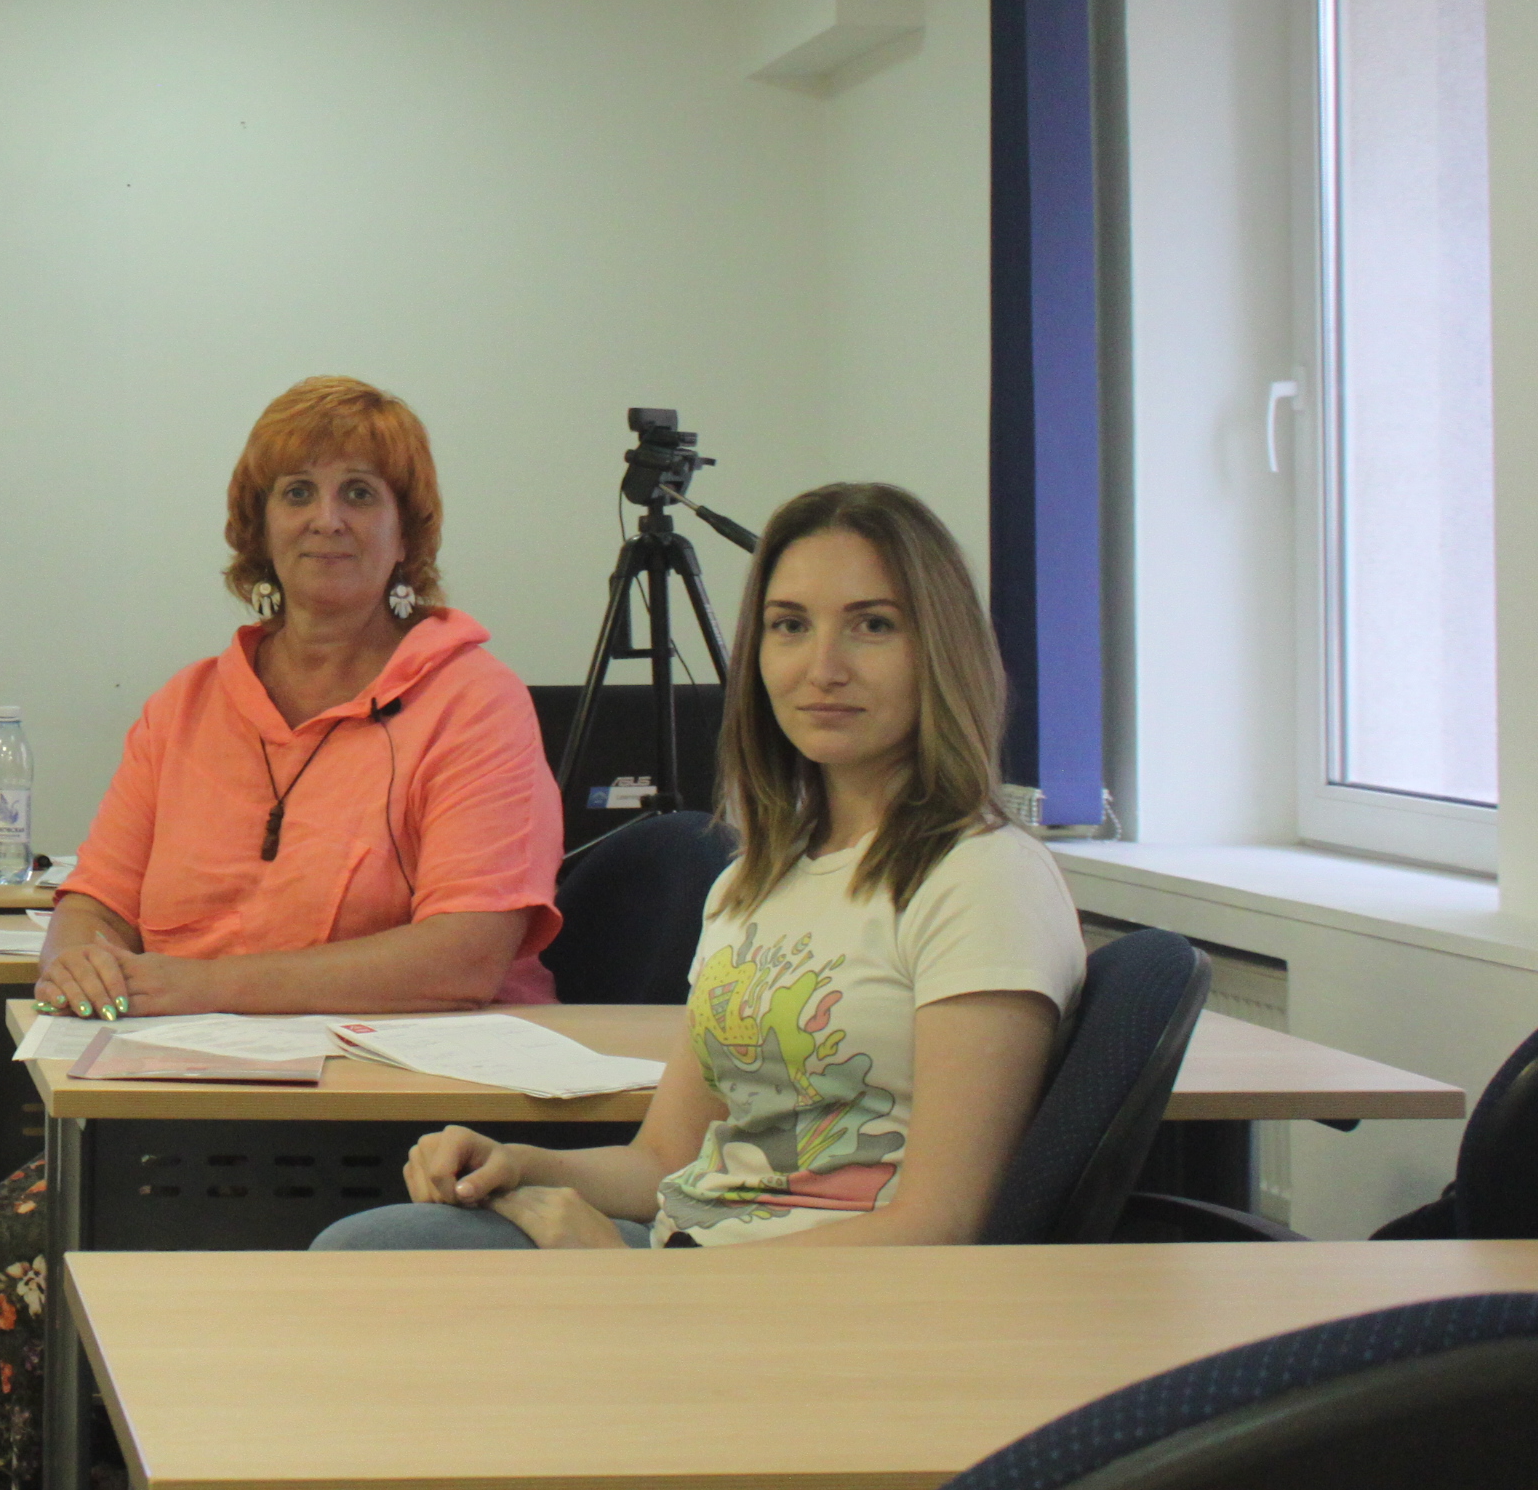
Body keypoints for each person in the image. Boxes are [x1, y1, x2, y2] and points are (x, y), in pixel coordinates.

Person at [0, 376, 562, 1490]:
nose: (327, 519)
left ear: (407, 532)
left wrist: (195, 982)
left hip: (408, 1130)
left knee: (34, 1244)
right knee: (11, 1247)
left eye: (360, 493)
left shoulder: (474, 702)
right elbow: (99, 896)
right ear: (259, 526)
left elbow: (468, 955)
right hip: (185, 1108)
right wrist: (79, 947)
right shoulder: (187, 705)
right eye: (297, 492)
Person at [309, 479, 1084, 1256]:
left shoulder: (982, 879)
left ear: (940, 650)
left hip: (808, 1305)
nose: (823, 667)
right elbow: (664, 1161)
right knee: (367, 1251)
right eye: (790, 626)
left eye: (872, 626)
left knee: (368, 1266)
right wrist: (517, 1162)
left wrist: (651, 1288)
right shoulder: (752, 882)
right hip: (686, 1263)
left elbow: (941, 1226)